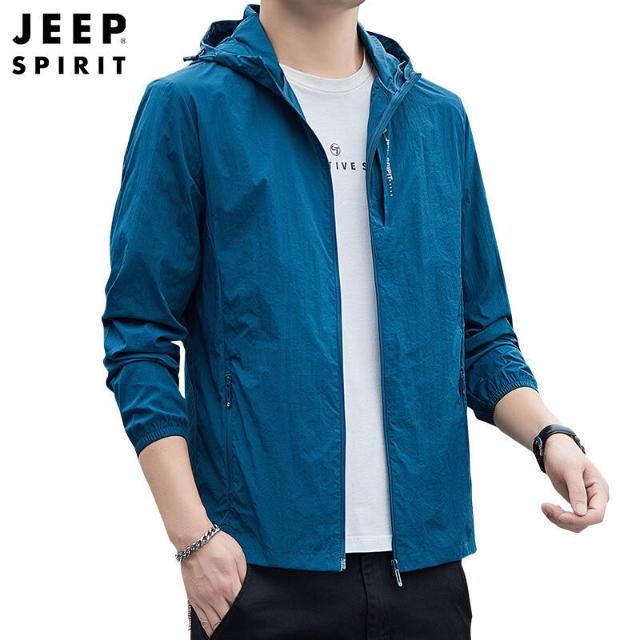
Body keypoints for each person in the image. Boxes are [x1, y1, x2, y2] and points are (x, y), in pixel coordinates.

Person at [101, 2, 609, 638]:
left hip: (426, 572)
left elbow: (481, 336)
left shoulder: (437, 119)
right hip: (258, 569)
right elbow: (140, 337)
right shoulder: (191, 108)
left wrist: (550, 437)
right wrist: (193, 538)